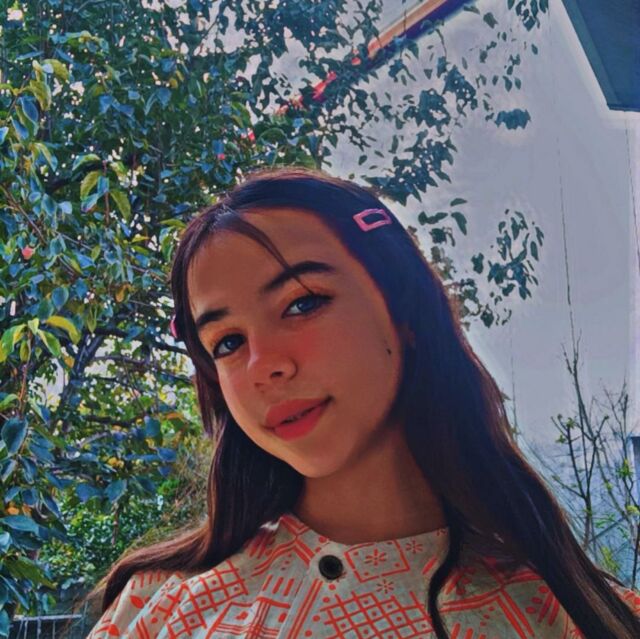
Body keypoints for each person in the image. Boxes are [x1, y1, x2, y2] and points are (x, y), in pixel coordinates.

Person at [85, 167, 640, 638]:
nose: (263, 366)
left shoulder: (570, 618)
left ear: (402, 309)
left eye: (302, 304)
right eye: (227, 343)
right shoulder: (155, 610)